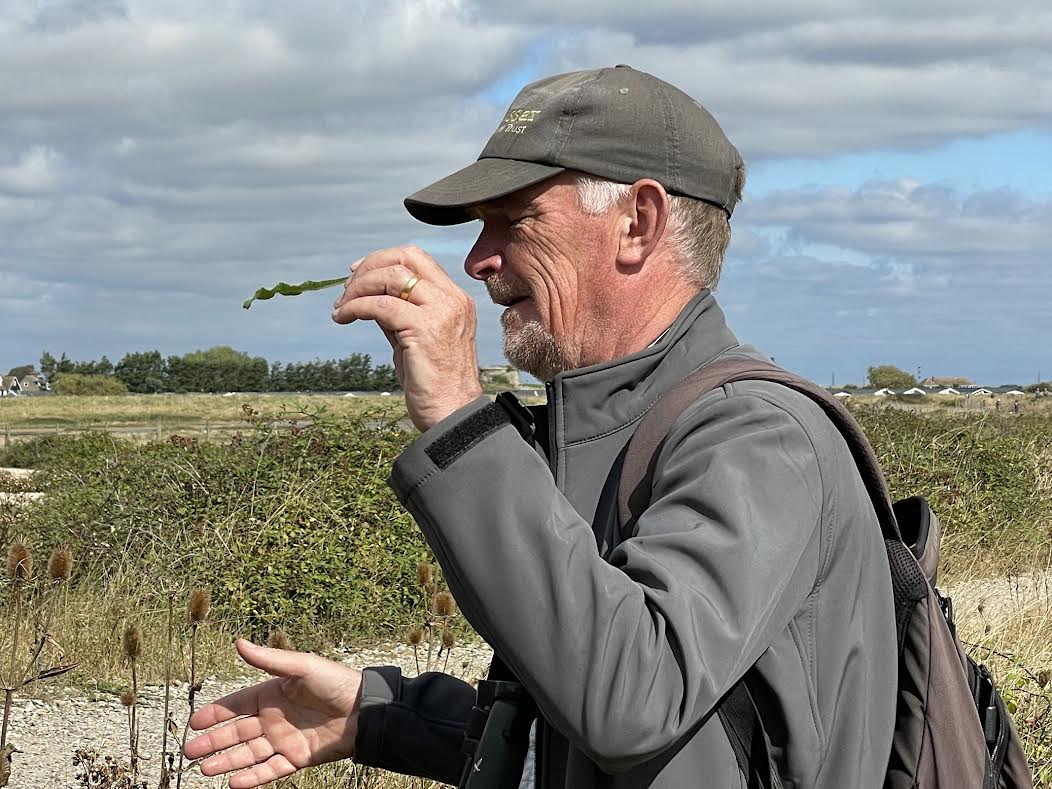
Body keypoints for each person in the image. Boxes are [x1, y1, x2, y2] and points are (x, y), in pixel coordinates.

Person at [184, 65, 897, 789]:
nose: (478, 260)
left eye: (515, 219)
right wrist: (380, 714)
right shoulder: (608, 432)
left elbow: (633, 699)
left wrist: (459, 418)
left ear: (638, 222)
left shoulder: (759, 435)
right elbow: (580, 733)